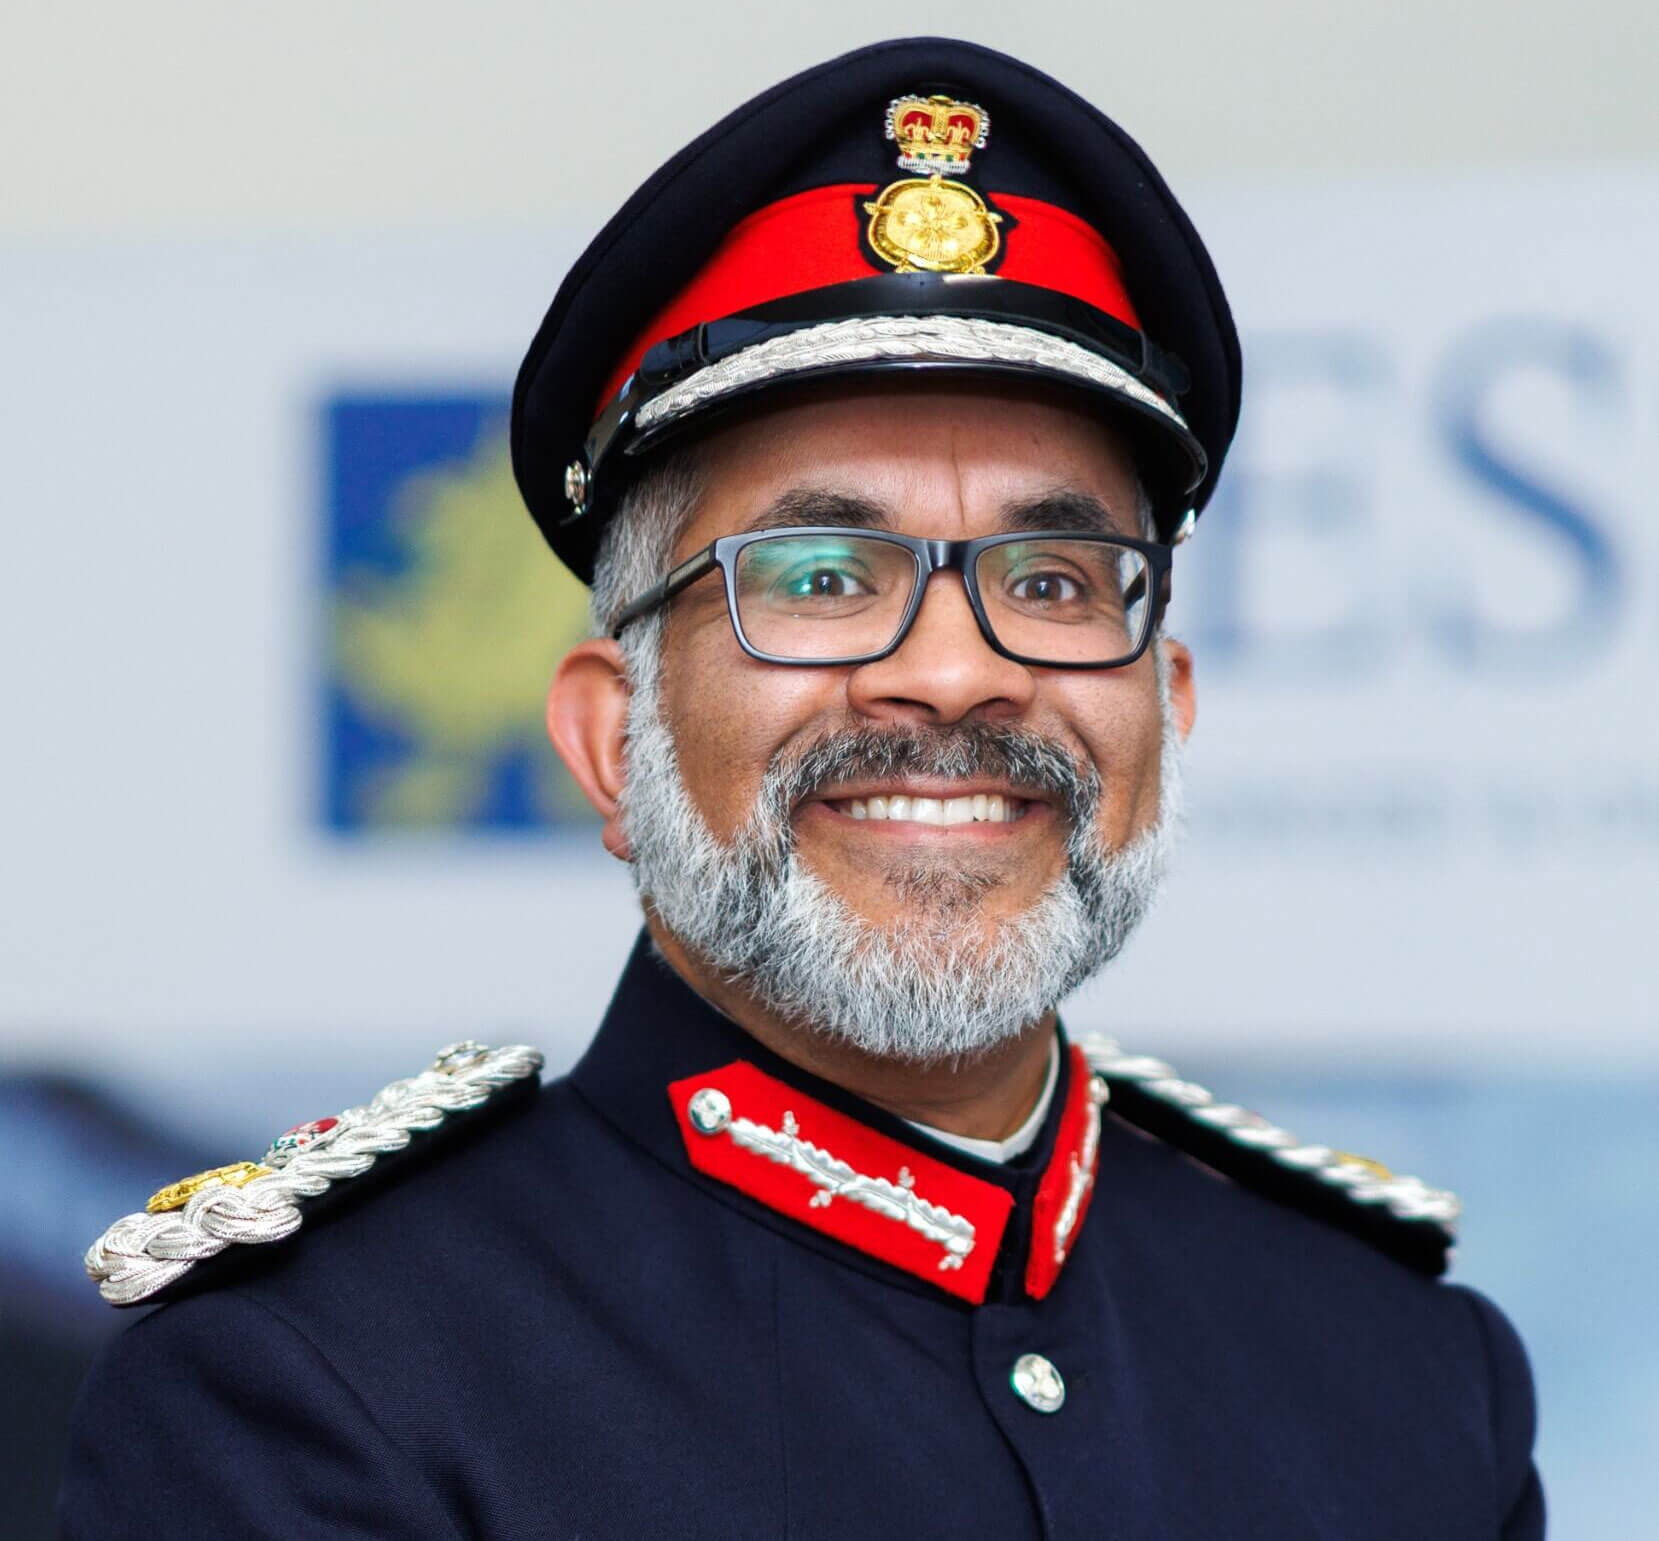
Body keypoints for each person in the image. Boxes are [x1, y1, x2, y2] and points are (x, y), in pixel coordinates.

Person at [61, 37, 1543, 1539]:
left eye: (1051, 576)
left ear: (1165, 708)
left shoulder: (1407, 1372)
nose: (959, 675)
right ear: (606, 738)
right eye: (823, 574)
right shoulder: (316, 1384)